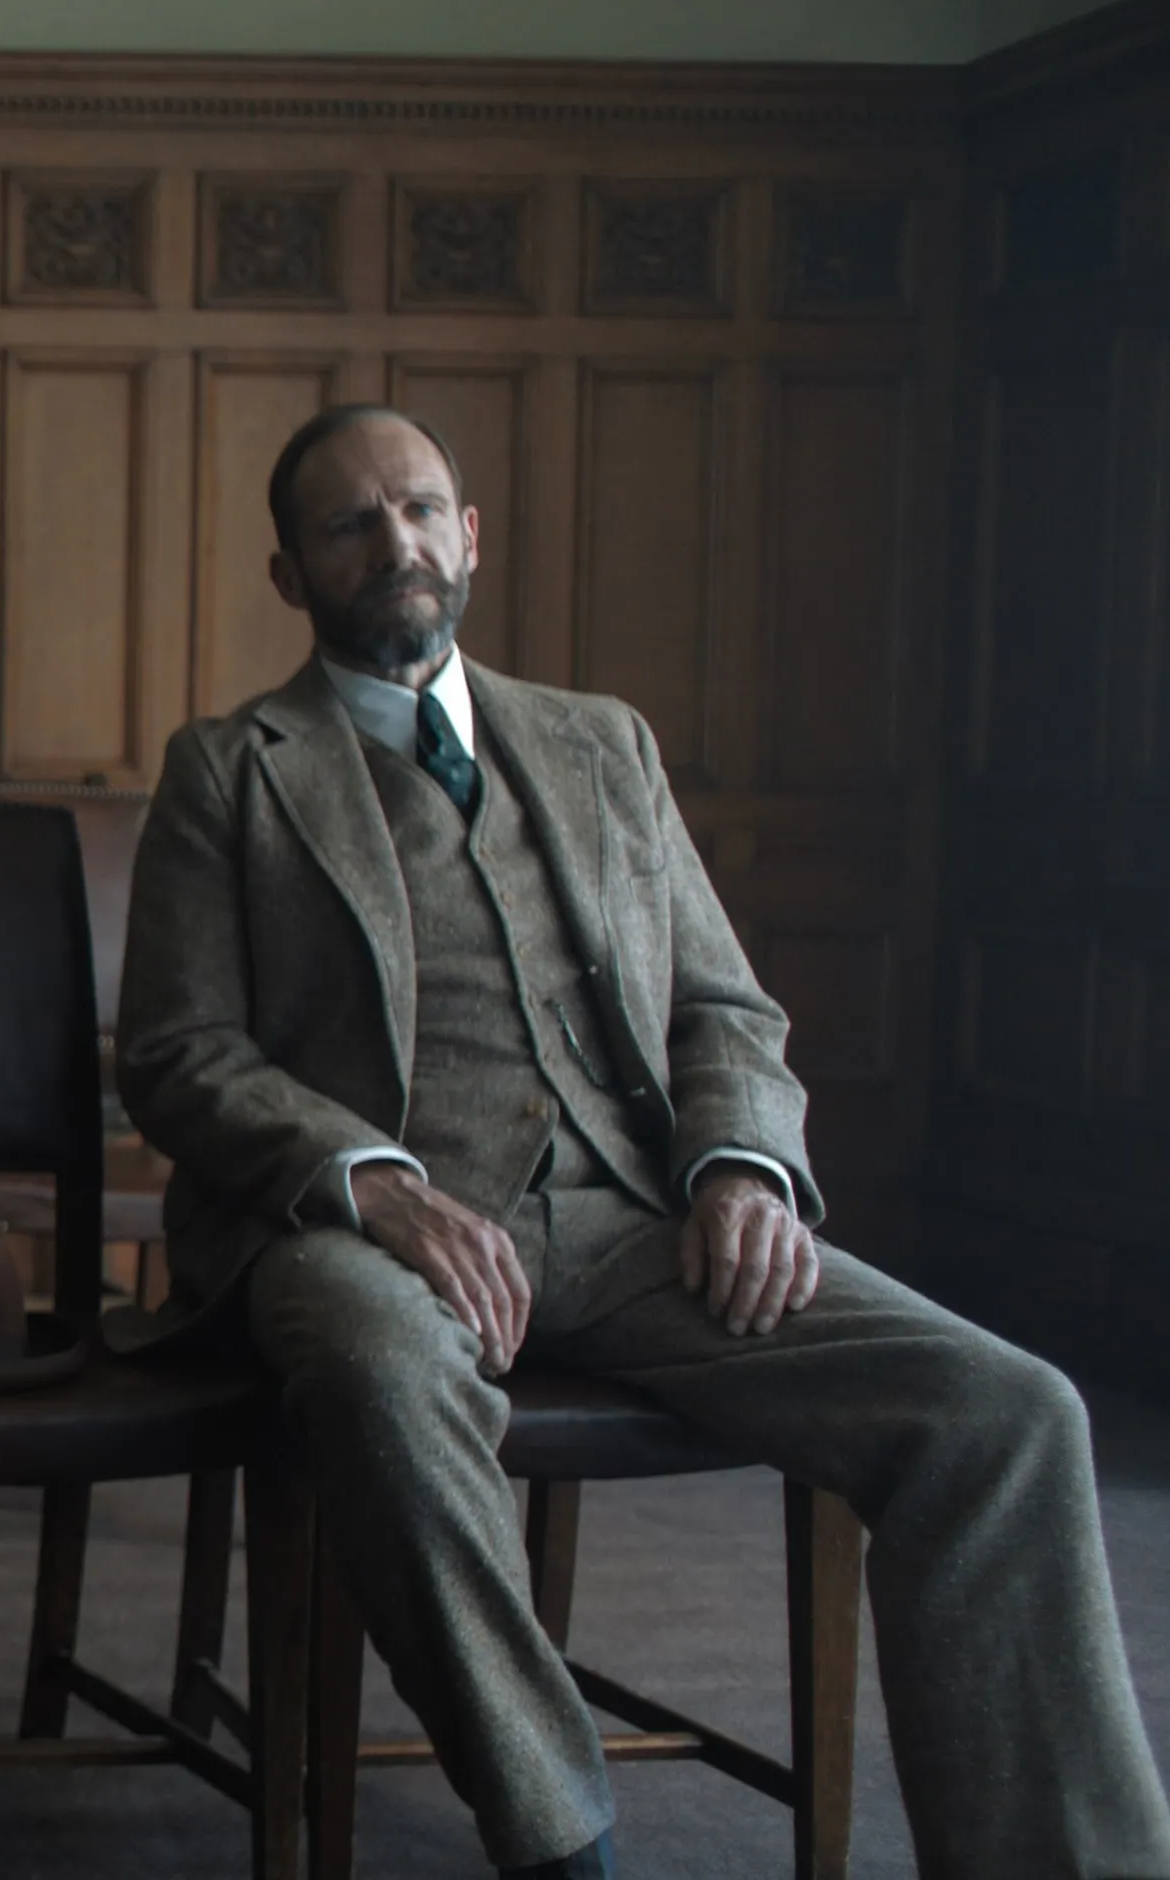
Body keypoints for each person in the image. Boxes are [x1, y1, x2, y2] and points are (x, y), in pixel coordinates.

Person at [118, 402, 1170, 1878]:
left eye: (418, 509)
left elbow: (724, 1006)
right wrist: (377, 1185)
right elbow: (178, 1052)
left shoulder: (601, 743)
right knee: (377, 1372)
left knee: (1007, 1413)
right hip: (357, 1239)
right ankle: (562, 1833)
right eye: (350, 523)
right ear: (291, 574)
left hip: (630, 1225)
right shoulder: (233, 768)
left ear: (469, 538)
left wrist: (739, 1165)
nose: (394, 542)